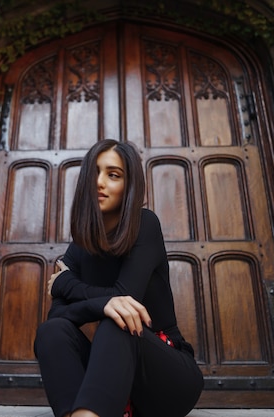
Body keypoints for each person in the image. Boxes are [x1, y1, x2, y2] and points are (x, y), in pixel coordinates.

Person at [34, 139, 204, 417]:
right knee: (51, 332)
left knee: (121, 320)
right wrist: (100, 304)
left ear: (129, 185)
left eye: (113, 175)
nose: (99, 182)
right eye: (94, 173)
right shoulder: (80, 245)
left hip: (167, 378)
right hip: (111, 379)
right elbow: (59, 316)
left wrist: (65, 284)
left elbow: (126, 297)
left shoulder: (145, 224)